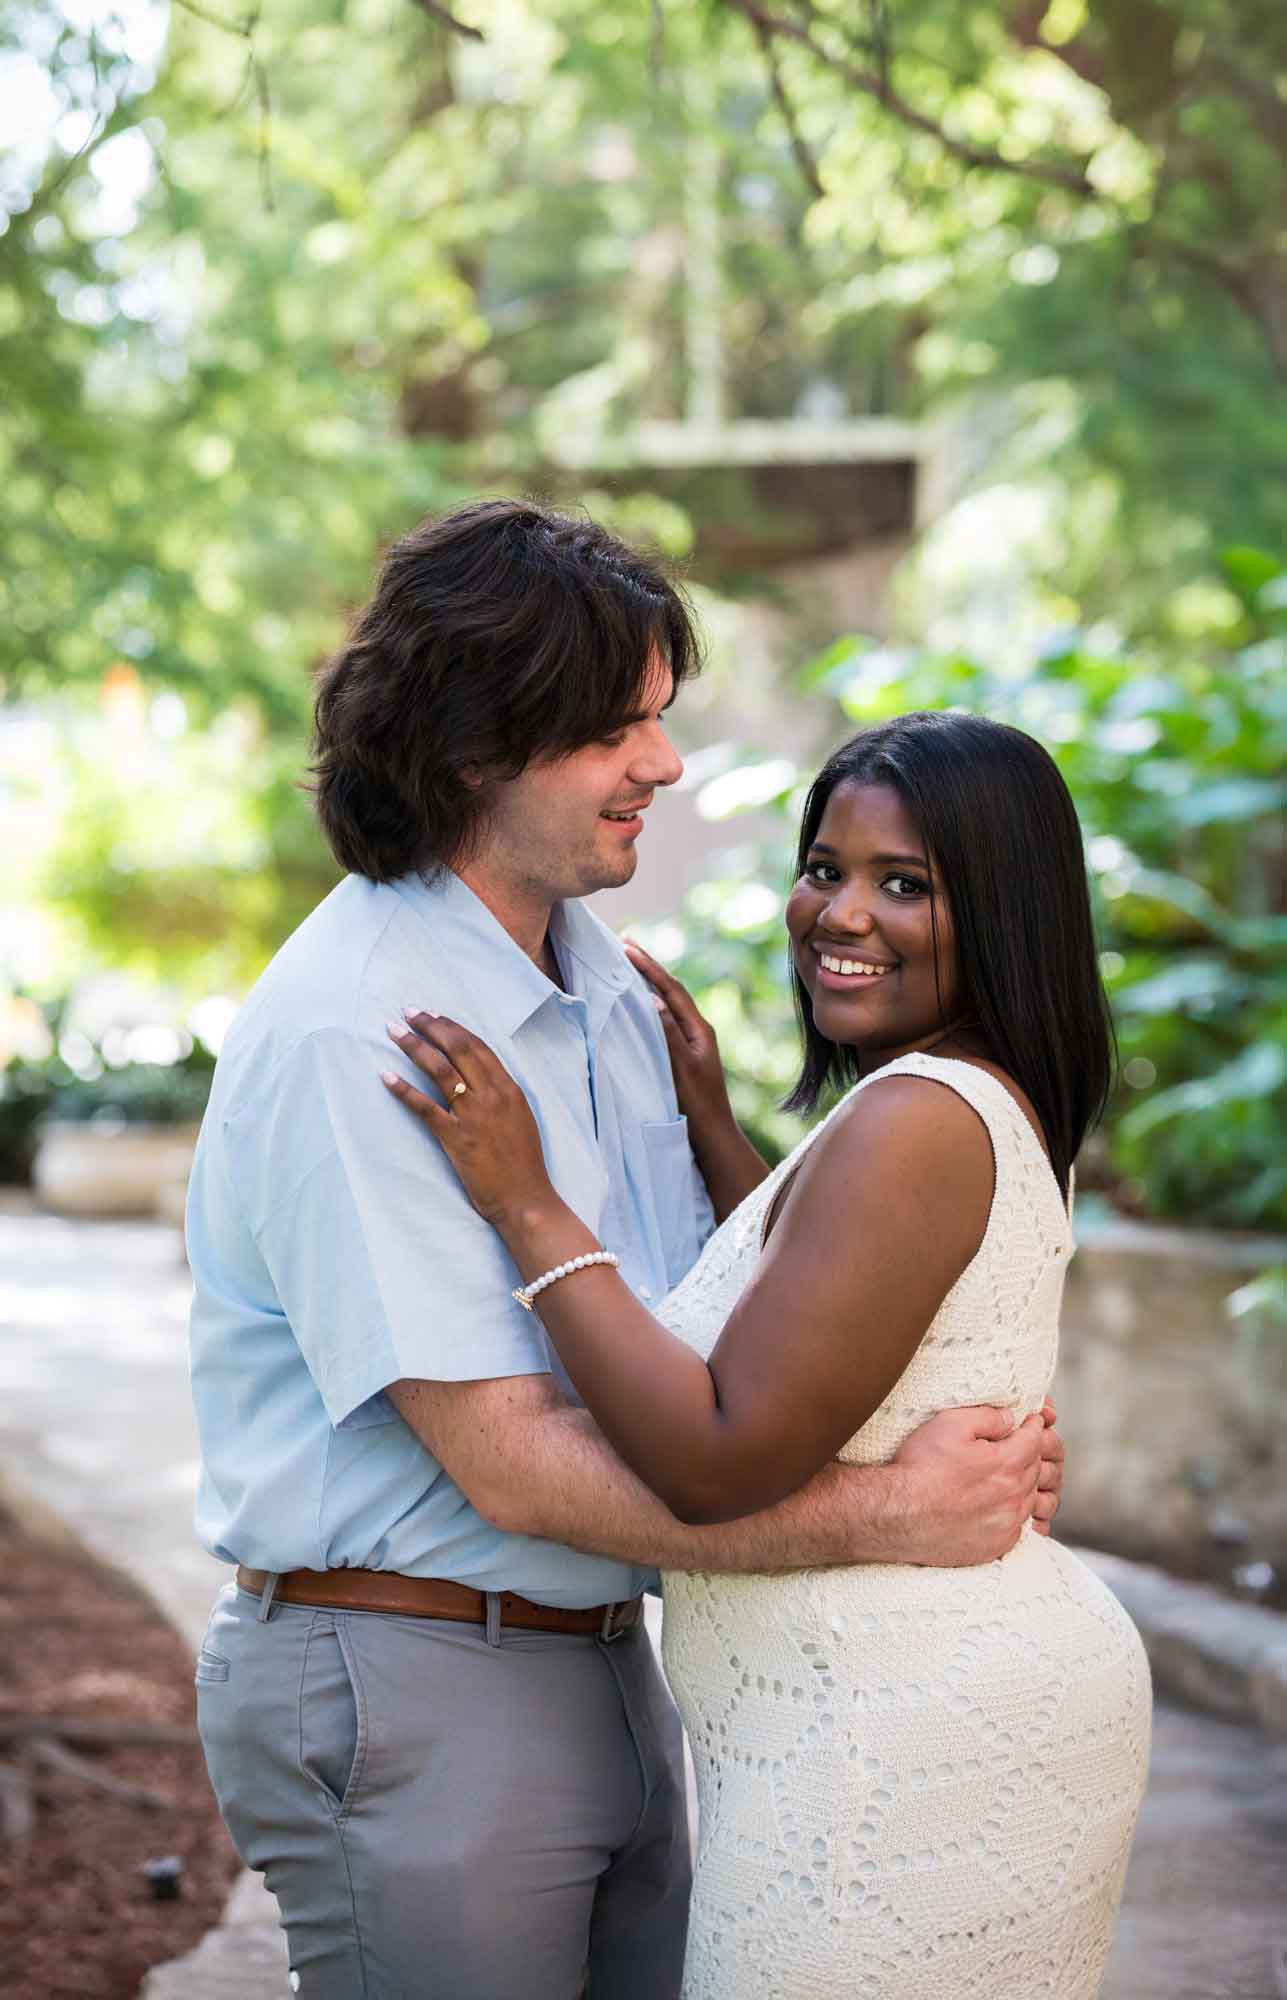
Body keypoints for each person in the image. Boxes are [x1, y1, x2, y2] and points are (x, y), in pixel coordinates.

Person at [187, 501, 1062, 2000]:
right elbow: (514, 1460)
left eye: (659, 718)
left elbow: (709, 1329)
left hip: (603, 1653)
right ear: (476, 744)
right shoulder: (373, 1032)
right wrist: (892, 1512)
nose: (663, 763)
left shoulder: (602, 983)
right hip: (413, 1676)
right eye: (616, 730)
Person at [382, 707, 1151, 2000]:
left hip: (899, 1752)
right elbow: (821, 1303)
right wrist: (713, 1123)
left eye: (905, 885)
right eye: (824, 870)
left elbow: (716, 1455)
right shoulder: (962, 1093)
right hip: (904, 1722)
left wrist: (526, 1205)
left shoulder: (913, 1124)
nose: (841, 915)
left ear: (1005, 910)